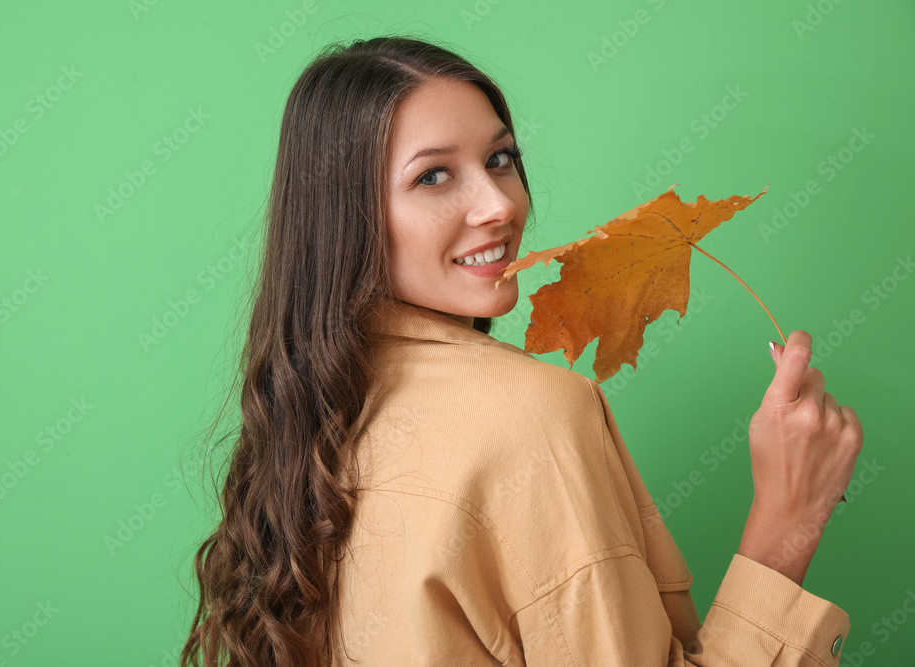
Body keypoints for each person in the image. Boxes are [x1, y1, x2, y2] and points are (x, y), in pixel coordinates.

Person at [179, 35, 864, 666]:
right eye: (433, 177)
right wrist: (787, 522)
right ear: (344, 215)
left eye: (499, 159)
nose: (500, 205)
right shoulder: (532, 415)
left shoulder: (307, 419)